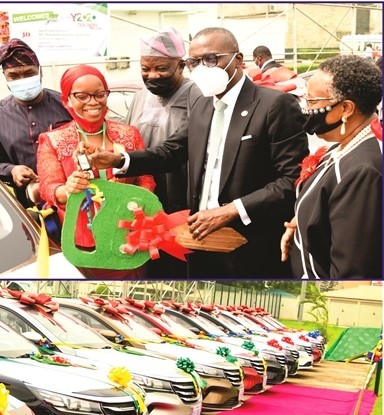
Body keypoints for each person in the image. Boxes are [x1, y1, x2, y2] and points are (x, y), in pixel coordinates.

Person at [88, 27, 308, 277]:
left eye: (211, 59)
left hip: (250, 242)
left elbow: (291, 179)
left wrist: (229, 210)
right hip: (198, 237)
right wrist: (119, 159)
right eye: (194, 62)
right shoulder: (203, 104)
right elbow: (172, 151)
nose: (202, 68)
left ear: (238, 59)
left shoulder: (274, 105)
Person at [27, 64, 155, 276]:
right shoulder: (52, 140)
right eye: (82, 96)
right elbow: (49, 189)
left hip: (128, 237)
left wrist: (139, 203)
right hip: (82, 243)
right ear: (67, 99)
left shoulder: (129, 134)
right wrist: (68, 189)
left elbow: (146, 178)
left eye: (99, 94)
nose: (93, 102)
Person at [281, 54, 382, 278]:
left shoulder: (363, 172)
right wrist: (303, 223)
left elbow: (351, 271)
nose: (306, 108)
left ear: (346, 108)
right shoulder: (343, 145)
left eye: (313, 102)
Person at [126, 28, 198, 277]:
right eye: (146, 69)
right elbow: (129, 141)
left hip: (183, 191)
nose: (152, 75)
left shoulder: (197, 95)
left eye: (161, 69)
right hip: (144, 193)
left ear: (181, 65)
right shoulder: (139, 97)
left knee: (180, 260)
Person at [0, 39, 72, 210]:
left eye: (29, 73)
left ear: (40, 72)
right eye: (14, 76)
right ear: (5, 77)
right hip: (29, 208)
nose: (22, 80)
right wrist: (12, 170)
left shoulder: (67, 105)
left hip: (72, 201)